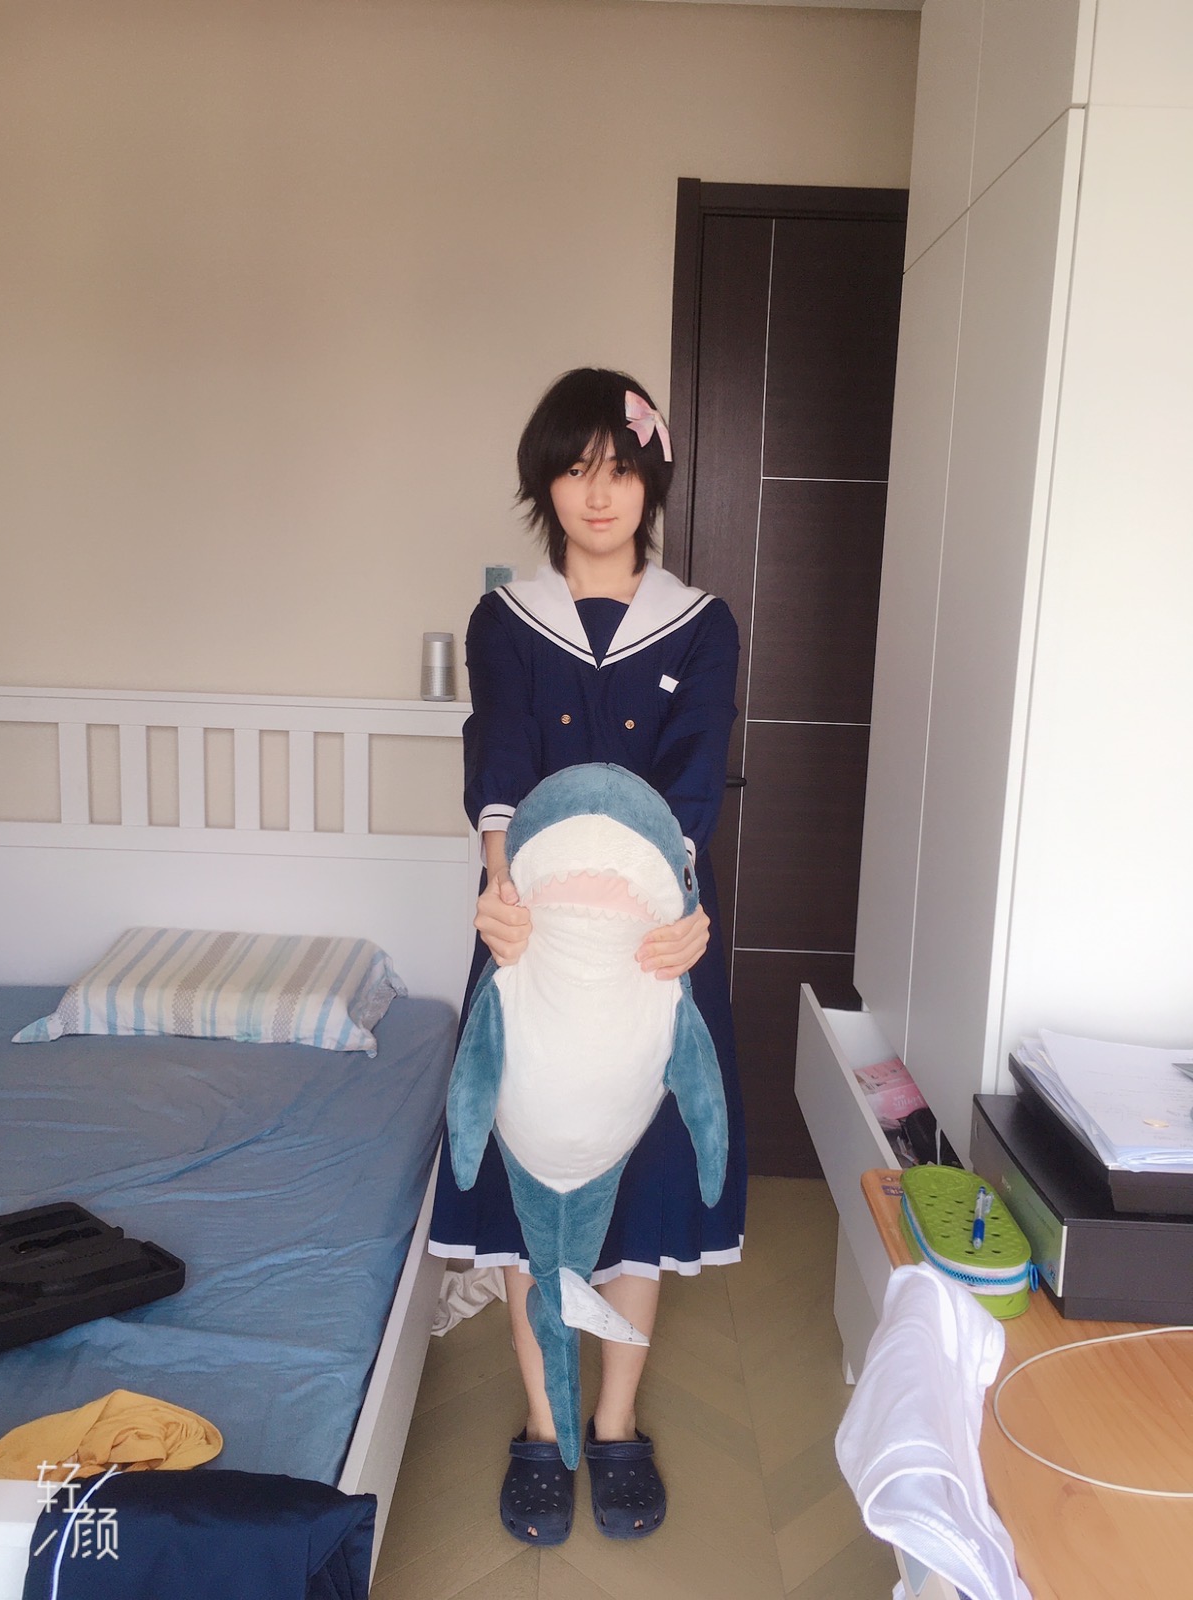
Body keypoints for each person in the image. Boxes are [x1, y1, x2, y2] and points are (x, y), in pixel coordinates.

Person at [428, 367, 747, 1545]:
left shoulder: (702, 624)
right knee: (529, 1182)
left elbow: (695, 777)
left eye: (617, 469)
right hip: (528, 938)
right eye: (573, 470)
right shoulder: (506, 620)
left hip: (658, 939)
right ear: (544, 486)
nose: (596, 494)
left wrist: (688, 913)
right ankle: (541, 1425)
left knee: (644, 1189)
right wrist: (498, 888)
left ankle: (613, 1427)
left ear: (650, 480)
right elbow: (500, 757)